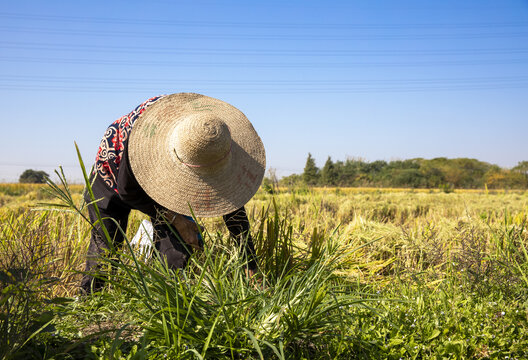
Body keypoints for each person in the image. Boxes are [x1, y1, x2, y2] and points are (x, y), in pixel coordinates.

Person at [81, 93, 266, 294]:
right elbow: (128, 191)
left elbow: (233, 207)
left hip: (165, 180)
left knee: (176, 253)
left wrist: (250, 265)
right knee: (105, 250)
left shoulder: (217, 141)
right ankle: (87, 304)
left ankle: (162, 304)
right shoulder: (142, 140)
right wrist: (177, 219)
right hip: (112, 183)